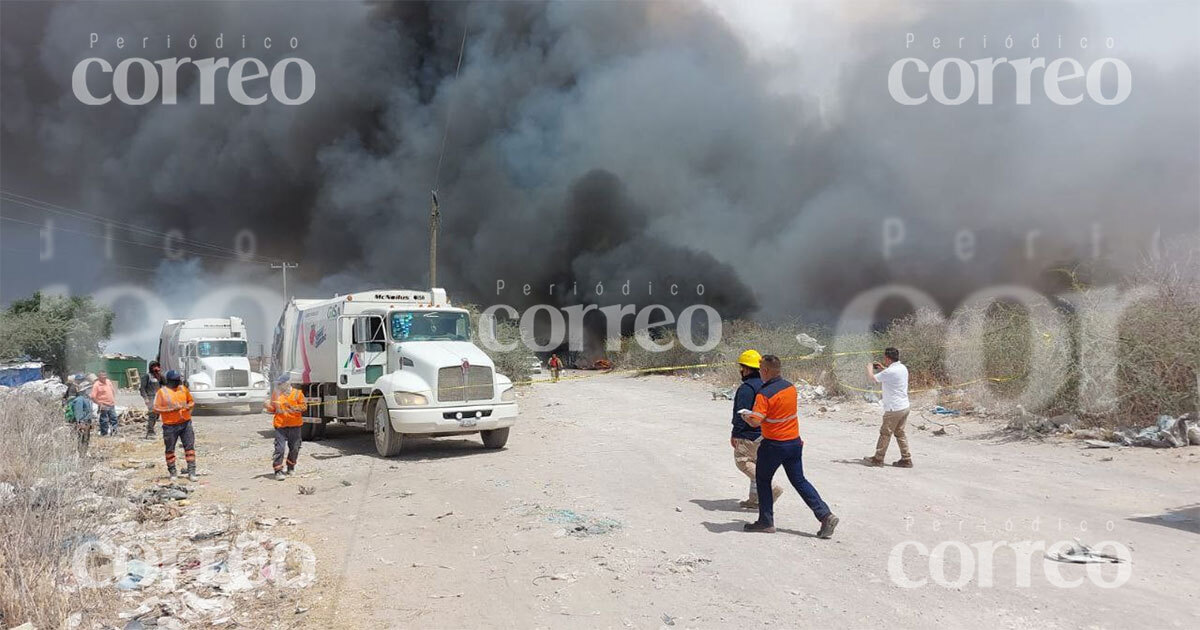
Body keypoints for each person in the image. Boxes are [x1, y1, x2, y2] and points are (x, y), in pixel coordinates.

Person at [740, 355, 839, 538]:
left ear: (767, 371)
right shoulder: (790, 387)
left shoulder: (764, 393)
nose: (760, 371)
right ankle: (825, 515)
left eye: (761, 368)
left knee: (762, 480)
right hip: (794, 443)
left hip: (773, 445)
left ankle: (765, 521)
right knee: (799, 480)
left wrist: (746, 416)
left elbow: (756, 422)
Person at [729, 349, 781, 509]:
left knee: (743, 463)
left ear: (745, 368)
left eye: (742, 368)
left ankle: (772, 488)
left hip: (748, 434)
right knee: (756, 464)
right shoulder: (766, 384)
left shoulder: (746, 388)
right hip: (765, 433)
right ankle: (754, 500)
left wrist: (735, 434)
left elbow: (741, 413)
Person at [863, 347, 912, 468]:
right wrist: (882, 368)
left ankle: (878, 458)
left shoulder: (890, 372)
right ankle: (906, 458)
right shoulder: (902, 368)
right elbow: (891, 374)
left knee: (885, 433)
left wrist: (869, 369)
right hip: (904, 406)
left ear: (887, 358)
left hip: (893, 408)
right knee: (900, 433)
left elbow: (873, 379)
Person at [155, 369, 197, 481]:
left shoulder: (183, 389)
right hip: (170, 425)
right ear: (169, 381)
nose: (177, 382)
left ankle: (192, 472)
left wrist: (189, 407)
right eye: (175, 380)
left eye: (178, 379)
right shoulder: (162, 392)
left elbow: (191, 401)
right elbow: (156, 408)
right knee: (170, 449)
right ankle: (172, 472)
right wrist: (170, 409)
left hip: (185, 423)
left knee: (189, 448)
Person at [264, 374, 307, 481]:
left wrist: (292, 407)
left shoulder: (298, 394)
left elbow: (304, 407)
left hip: (295, 425)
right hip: (280, 425)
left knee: (295, 448)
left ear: (287, 383)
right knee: (279, 449)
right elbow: (273, 409)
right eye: (278, 384)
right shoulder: (276, 394)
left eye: (280, 384)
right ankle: (278, 470)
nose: (278, 385)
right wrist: (267, 406)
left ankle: (291, 466)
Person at [65, 382, 97, 455]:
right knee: (81, 439)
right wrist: (80, 423)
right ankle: (81, 455)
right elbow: (78, 412)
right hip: (82, 423)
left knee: (85, 439)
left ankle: (83, 454)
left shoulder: (85, 399)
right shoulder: (79, 400)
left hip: (86, 422)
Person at [140, 360, 164, 439]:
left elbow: (165, 382)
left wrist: (159, 374)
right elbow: (142, 389)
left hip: (158, 398)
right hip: (150, 398)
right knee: (152, 415)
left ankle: (151, 428)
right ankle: (150, 431)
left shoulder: (158, 377)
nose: (156, 368)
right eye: (154, 366)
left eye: (157, 366)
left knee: (157, 415)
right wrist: (145, 398)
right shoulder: (147, 376)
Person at [90, 370, 118, 436]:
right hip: (103, 405)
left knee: (114, 418)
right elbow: (93, 397)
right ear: (99, 377)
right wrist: (100, 404)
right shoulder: (96, 385)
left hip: (111, 404)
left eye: (105, 376)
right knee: (104, 420)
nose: (104, 377)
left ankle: (114, 432)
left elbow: (112, 391)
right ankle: (104, 433)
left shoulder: (108, 382)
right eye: (102, 376)